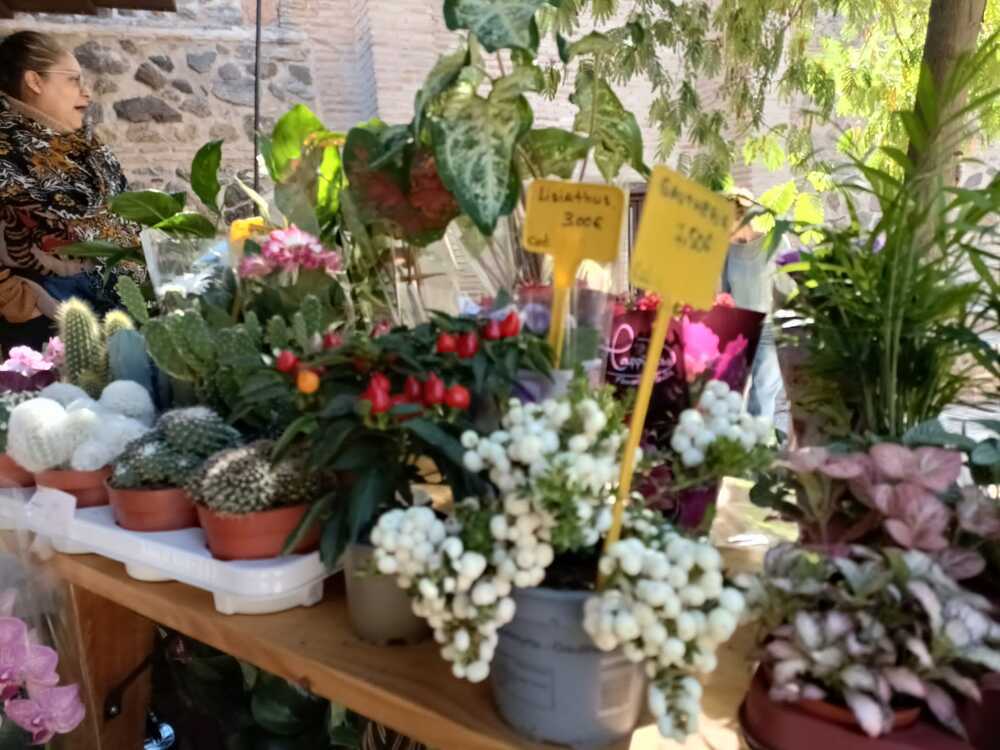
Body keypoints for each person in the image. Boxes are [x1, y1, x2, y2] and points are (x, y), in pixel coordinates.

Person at [0, 31, 138, 352]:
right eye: (73, 80)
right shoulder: (6, 145)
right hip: (41, 319)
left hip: (115, 299)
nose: (86, 93)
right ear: (35, 81)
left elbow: (125, 214)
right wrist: (19, 302)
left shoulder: (86, 149)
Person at [720, 187, 794, 424]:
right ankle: (730, 443)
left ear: (741, 217)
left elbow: (790, 285)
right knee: (729, 391)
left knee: (762, 393)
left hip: (771, 328)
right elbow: (724, 292)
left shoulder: (775, 242)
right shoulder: (729, 251)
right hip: (741, 327)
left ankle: (758, 445)